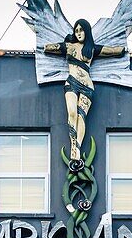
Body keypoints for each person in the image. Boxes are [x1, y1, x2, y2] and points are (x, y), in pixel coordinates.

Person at [42, 18, 126, 161]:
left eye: (81, 30)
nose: (79, 33)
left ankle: (78, 149)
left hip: (87, 86)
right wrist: (49, 46)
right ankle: (73, 145)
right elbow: (49, 48)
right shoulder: (69, 46)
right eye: (77, 30)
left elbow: (111, 51)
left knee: (82, 117)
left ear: (87, 31)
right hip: (72, 83)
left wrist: (122, 50)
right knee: (72, 113)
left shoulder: (91, 49)